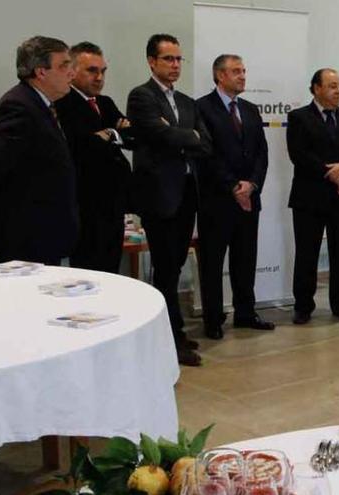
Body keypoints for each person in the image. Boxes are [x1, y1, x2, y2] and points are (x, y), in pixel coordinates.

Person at [127, 34, 212, 366]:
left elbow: (206, 144)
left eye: (179, 59)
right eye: (168, 59)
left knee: (174, 267)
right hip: (159, 196)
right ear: (152, 61)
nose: (175, 65)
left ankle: (174, 332)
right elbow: (156, 134)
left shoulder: (188, 103)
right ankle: (166, 339)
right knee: (164, 268)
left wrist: (184, 137)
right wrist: (187, 137)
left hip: (187, 194)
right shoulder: (141, 96)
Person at [0, 36, 76, 265]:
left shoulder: (40, 105)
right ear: (41, 72)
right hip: (27, 235)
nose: (72, 73)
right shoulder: (19, 107)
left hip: (43, 231)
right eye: (64, 65)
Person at [196, 54, 274, 339]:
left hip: (248, 199)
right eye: (235, 71)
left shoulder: (251, 110)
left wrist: (251, 184)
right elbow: (206, 154)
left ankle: (245, 313)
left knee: (245, 259)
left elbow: (261, 154)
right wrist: (232, 186)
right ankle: (213, 319)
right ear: (219, 75)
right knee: (213, 263)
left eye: (244, 70)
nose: (242, 76)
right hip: (216, 200)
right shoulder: (201, 108)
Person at [286, 68, 339, 325]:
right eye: (332, 86)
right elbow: (298, 154)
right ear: (316, 88)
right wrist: (329, 172)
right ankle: (303, 306)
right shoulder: (299, 117)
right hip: (309, 198)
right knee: (306, 254)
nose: (338, 91)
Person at [55, 41, 134, 273]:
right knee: (90, 271)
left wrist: (109, 133)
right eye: (92, 70)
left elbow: (134, 136)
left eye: (103, 71)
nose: (99, 77)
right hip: (86, 204)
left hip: (115, 202)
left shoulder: (105, 102)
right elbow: (81, 146)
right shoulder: (62, 104)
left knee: (112, 267)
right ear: (72, 71)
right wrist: (115, 133)